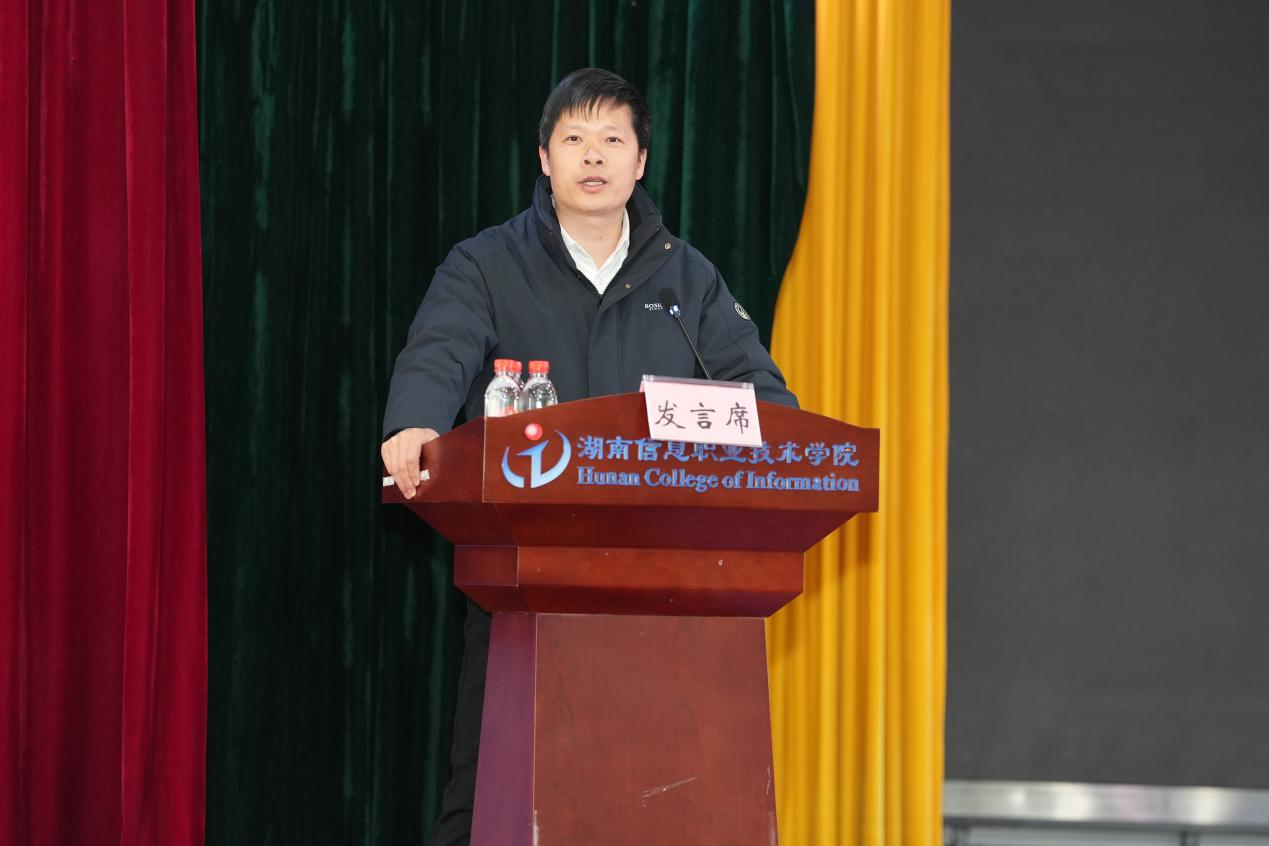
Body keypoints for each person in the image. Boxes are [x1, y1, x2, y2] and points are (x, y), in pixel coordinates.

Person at [381, 67, 797, 846]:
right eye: (574, 138)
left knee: (654, 795)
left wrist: (784, 450)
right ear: (545, 158)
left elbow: (762, 402)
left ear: (640, 161)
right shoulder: (486, 264)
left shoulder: (686, 277)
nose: (593, 155)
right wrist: (415, 423)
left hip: (669, 580)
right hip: (526, 569)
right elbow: (439, 352)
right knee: (493, 792)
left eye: (612, 139)